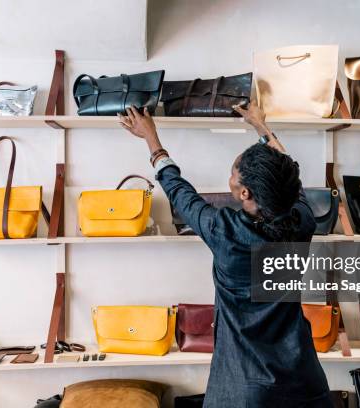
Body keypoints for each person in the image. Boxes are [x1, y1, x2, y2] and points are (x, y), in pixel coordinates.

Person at [118, 103, 332, 408]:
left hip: (245, 389)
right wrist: (261, 127)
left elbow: (181, 195)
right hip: (304, 381)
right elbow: (287, 174)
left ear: (244, 193)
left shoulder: (226, 232)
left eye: (233, 173)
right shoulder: (302, 221)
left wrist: (152, 141)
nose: (230, 177)